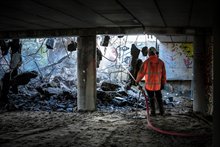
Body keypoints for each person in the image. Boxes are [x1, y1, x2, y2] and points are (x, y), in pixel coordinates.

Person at [135, 47, 166, 116]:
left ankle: (153, 112)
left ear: (149, 53)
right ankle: (162, 112)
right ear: (155, 53)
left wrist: (137, 81)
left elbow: (141, 73)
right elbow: (164, 74)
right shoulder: (161, 62)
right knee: (159, 98)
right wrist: (163, 83)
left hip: (149, 86)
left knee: (151, 99)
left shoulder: (146, 62)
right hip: (158, 85)